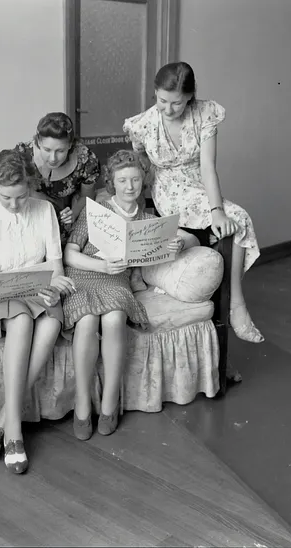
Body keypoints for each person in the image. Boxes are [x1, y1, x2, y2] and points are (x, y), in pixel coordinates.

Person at [123, 61, 264, 343]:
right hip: (167, 190)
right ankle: (234, 304)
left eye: (176, 103)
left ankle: (236, 304)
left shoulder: (205, 114)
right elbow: (139, 165)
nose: (168, 109)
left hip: (198, 186)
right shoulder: (142, 125)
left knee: (238, 219)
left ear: (190, 96)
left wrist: (217, 210)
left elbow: (208, 167)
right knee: (225, 224)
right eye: (162, 100)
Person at [62, 149, 198, 440]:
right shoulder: (97, 210)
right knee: (86, 323)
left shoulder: (148, 219)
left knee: (113, 319)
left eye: (135, 180)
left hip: (117, 282)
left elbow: (191, 236)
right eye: (122, 180)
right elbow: (70, 254)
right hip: (85, 275)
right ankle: (82, 403)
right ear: (112, 181)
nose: (129, 187)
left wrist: (180, 245)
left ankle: (110, 402)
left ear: (143, 181)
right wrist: (102, 264)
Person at [0, 148, 76, 474]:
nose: (15, 205)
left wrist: (53, 286)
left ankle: (1, 419)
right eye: (6, 198)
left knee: (50, 324)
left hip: (40, 289)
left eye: (20, 196)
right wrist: (32, 286)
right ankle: (14, 432)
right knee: (21, 319)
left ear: (31, 185)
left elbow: (57, 269)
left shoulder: (45, 211)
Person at [0, 112, 100, 244]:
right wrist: (31, 194)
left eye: (60, 151)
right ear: (38, 142)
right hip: (30, 212)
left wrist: (73, 213)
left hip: (66, 216)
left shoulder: (86, 160)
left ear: (70, 145)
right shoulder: (23, 154)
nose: (53, 158)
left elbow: (87, 196)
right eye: (47, 150)